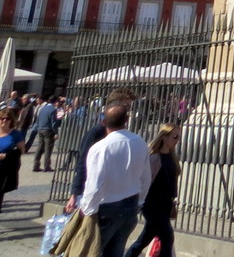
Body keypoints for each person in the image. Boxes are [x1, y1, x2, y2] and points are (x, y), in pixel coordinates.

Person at [80, 104, 153, 257]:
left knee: (92, 251)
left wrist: (87, 209)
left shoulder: (100, 148)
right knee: (116, 251)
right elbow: (146, 176)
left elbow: (94, 183)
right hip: (131, 203)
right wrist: (140, 201)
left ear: (103, 121)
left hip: (107, 206)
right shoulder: (139, 142)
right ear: (127, 120)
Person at [67, 87, 138, 215]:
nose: (128, 110)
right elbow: (83, 163)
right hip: (94, 192)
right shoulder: (97, 132)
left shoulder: (125, 133)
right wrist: (74, 194)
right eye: (126, 106)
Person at [123, 124, 181, 257]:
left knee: (145, 239)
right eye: (175, 136)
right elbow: (144, 181)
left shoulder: (172, 157)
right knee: (167, 237)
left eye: (178, 137)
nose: (177, 140)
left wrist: (172, 199)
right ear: (164, 137)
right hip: (152, 203)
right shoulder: (154, 158)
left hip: (165, 203)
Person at [0, 107, 26, 213]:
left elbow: (21, 150)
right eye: (2, 118)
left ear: (11, 120)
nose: (4, 120)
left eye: (7, 118)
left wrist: (6, 156)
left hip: (4, 168)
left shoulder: (15, 134)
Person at [31, 95, 60, 171]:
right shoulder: (53, 110)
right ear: (55, 102)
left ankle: (36, 165)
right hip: (48, 130)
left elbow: (38, 119)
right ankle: (47, 166)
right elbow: (53, 123)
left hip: (41, 129)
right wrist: (56, 133)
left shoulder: (42, 108)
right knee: (48, 149)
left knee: (39, 147)